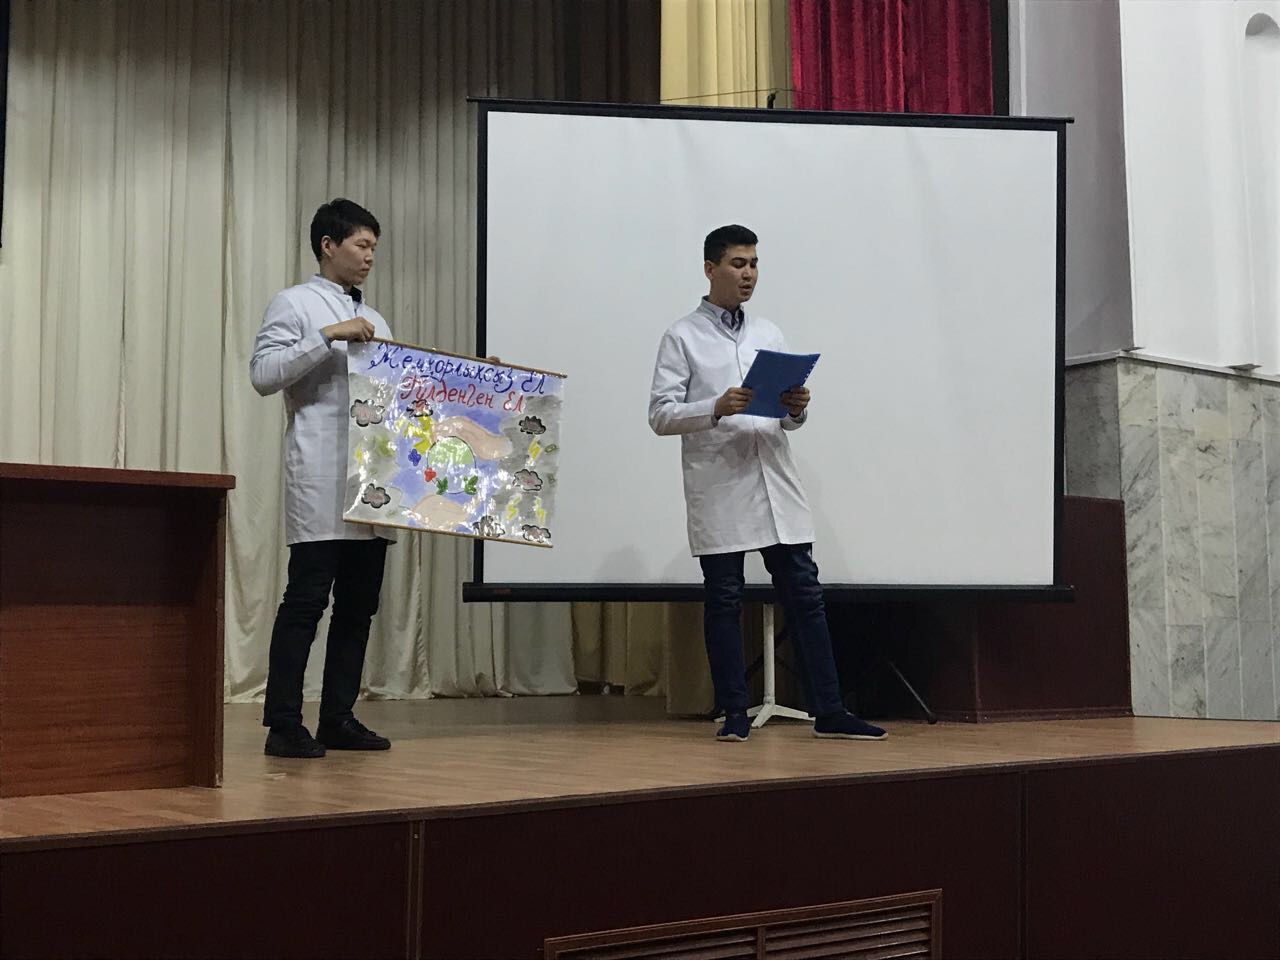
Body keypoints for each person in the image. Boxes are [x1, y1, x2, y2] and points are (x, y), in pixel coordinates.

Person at [648, 224, 887, 743]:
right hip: (721, 485)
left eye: (754, 263)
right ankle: (734, 713)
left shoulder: (769, 333)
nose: (749, 274)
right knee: (725, 599)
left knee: (805, 595)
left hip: (774, 479)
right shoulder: (682, 335)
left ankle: (829, 710)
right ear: (710, 268)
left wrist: (796, 408)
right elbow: (660, 415)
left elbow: (786, 418)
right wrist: (715, 406)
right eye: (738, 263)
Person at [250, 198, 395, 759]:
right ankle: (283, 723)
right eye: (361, 245)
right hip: (320, 472)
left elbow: (401, 396)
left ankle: (338, 717)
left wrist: (472, 388)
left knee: (359, 607)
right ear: (328, 245)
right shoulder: (294, 303)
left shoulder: (376, 318)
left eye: (374, 247)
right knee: (307, 600)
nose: (369, 256)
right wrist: (327, 336)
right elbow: (264, 375)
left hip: (372, 481)